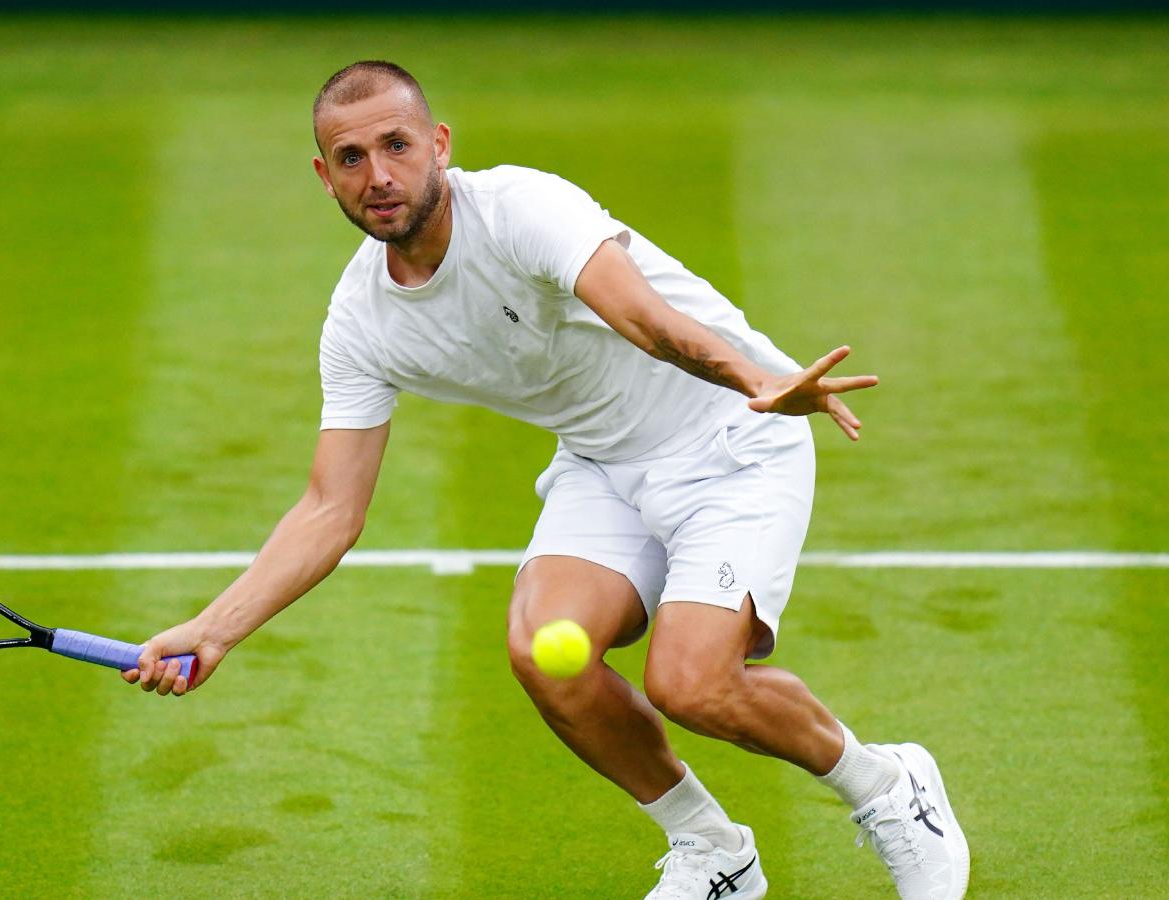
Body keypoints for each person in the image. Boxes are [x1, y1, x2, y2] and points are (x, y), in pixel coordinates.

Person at [122, 60, 970, 900]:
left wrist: (751, 378)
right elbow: (329, 508)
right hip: (604, 464)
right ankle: (713, 850)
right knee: (545, 654)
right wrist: (217, 627)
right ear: (324, 176)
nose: (378, 176)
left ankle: (891, 790)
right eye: (351, 158)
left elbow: (646, 320)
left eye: (397, 145)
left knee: (692, 683)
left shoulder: (522, 209)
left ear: (439, 144)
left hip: (734, 432)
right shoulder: (359, 325)